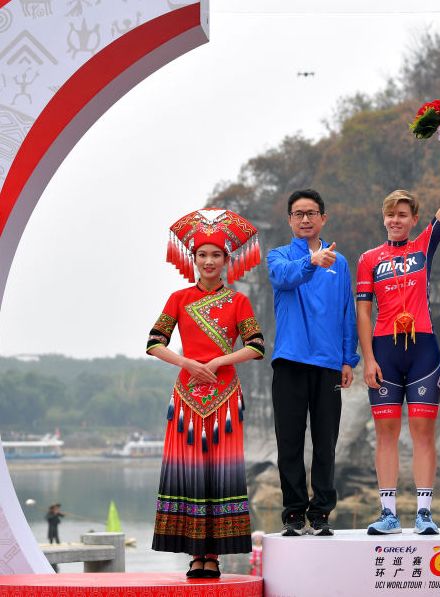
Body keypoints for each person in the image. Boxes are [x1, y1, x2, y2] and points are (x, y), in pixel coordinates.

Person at [148, 208, 265, 578]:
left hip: (224, 397)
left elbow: (257, 346)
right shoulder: (178, 299)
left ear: (227, 260)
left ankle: (212, 555)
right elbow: (154, 343)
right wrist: (186, 363)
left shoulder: (238, 302)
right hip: (185, 400)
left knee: (220, 474)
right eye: (203, 255)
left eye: (216, 255)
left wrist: (216, 363)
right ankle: (193, 554)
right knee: (189, 473)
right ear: (193, 260)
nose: (210, 261)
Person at [356, 137, 440, 535]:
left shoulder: (423, 246)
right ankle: (387, 514)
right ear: (384, 219)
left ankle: (424, 514)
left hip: (423, 349)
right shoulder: (368, 259)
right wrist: (368, 359)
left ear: (414, 218)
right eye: (390, 215)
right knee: (386, 432)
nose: (396, 220)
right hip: (383, 349)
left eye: (402, 215)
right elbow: (363, 312)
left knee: (422, 430)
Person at [268, 189, 359, 537]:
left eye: (311, 213)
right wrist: (311, 262)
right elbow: (285, 278)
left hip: (328, 364)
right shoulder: (278, 257)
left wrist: (348, 359)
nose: (305, 219)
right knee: (289, 441)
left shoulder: (341, 262)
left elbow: (346, 312)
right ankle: (293, 513)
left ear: (323, 218)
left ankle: (320, 513)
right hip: (290, 360)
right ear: (290, 220)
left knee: (325, 442)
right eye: (298, 214)